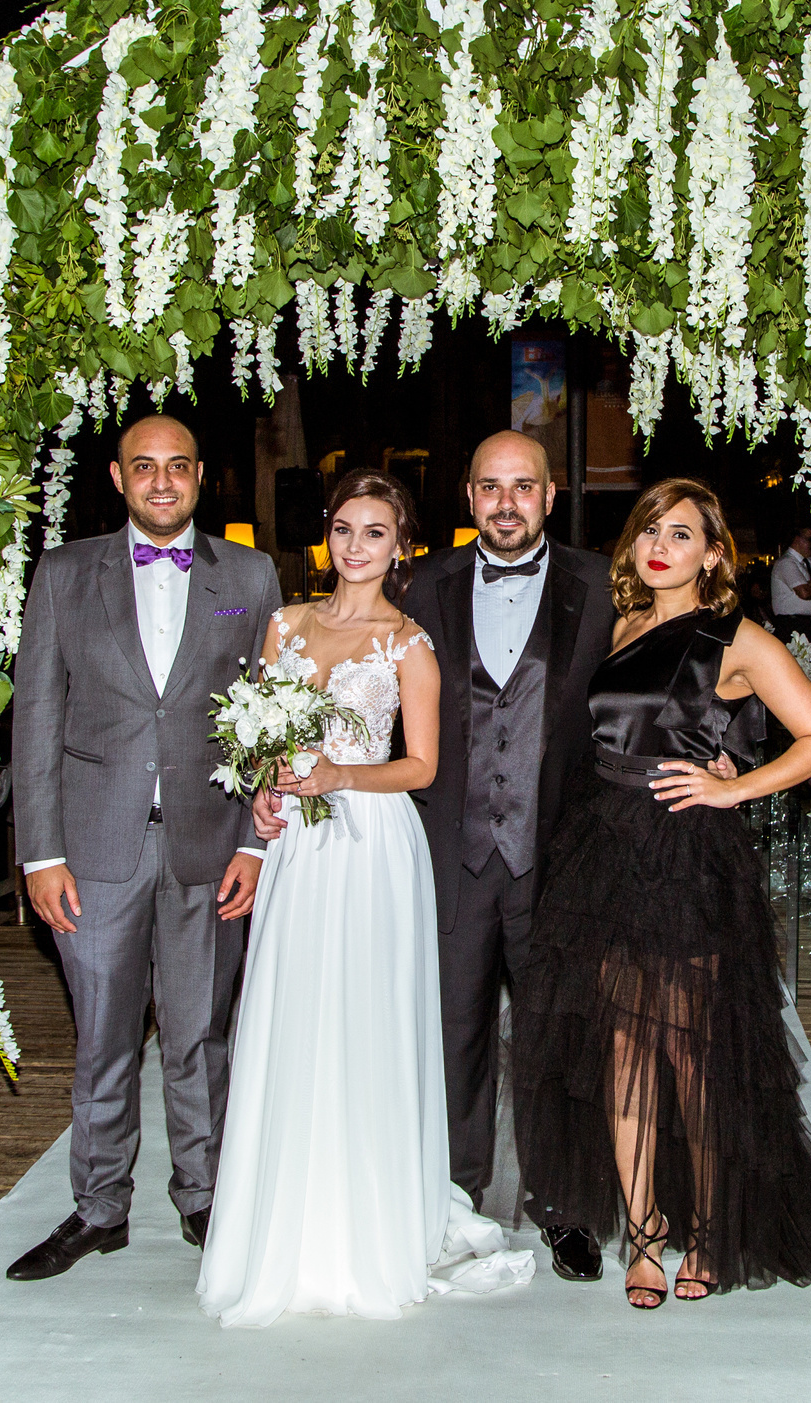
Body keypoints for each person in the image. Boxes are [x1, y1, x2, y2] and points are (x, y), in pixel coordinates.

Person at [257, 430, 625, 1283]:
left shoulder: (599, 587)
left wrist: (715, 745)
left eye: (522, 486)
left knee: (553, 1036)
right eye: (490, 486)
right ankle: (453, 1194)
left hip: (557, 853)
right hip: (443, 849)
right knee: (450, 1031)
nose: (506, 501)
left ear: (549, 494)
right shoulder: (423, 584)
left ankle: (562, 1203)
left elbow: (653, 676)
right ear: (467, 498)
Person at [514, 477, 811, 1308]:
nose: (660, 546)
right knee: (621, 1052)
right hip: (603, 846)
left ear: (715, 553)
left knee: (691, 1052)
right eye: (650, 529)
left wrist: (733, 789)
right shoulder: (624, 623)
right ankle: (644, 1234)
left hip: (685, 851)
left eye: (681, 534)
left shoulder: (739, 637)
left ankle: (710, 1229)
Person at [198, 470, 525, 1326]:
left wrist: (341, 772)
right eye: (345, 528)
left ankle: (366, 1222)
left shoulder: (410, 644)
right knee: (291, 1013)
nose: (355, 545)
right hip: (299, 848)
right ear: (328, 535)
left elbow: (421, 765)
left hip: (373, 843)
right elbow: (265, 736)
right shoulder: (281, 625)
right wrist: (268, 790)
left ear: (400, 544)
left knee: (363, 1019)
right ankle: (285, 1221)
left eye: (374, 531)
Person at [5, 414, 283, 1281]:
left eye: (178, 467)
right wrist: (39, 854)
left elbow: (273, 717)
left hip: (211, 844)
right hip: (93, 849)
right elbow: (38, 717)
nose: (162, 482)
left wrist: (254, 844)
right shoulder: (62, 573)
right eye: (143, 468)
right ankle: (99, 1207)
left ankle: (205, 1199)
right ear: (117, 478)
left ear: (202, 476)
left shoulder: (250, 574)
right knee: (103, 1038)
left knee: (203, 1035)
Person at [768, 524, 811, 653]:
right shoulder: (786, 563)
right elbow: (804, 593)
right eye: (809, 539)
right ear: (797, 539)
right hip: (792, 626)